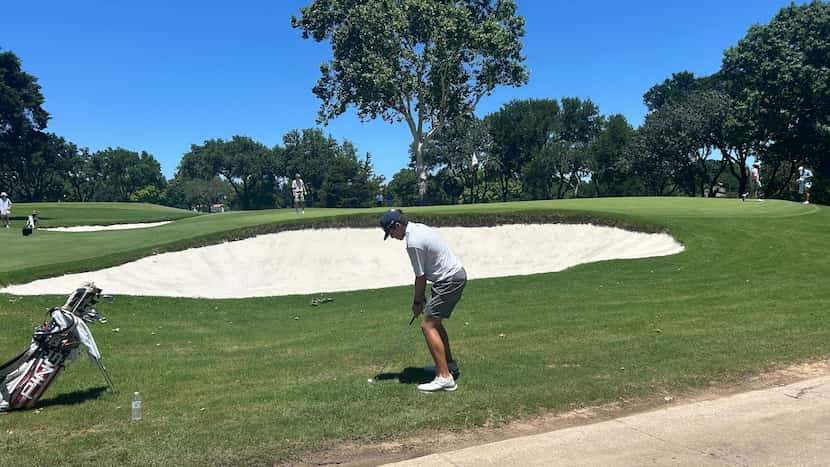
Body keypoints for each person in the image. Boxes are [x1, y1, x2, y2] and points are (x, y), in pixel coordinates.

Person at [380, 209, 467, 393]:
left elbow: (420, 277)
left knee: (428, 326)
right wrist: (421, 300)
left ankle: (445, 378)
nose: (393, 237)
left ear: (397, 226)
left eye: (391, 233)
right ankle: (449, 366)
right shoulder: (418, 228)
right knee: (435, 323)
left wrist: (417, 302)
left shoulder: (413, 242)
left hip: (448, 280)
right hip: (451, 277)